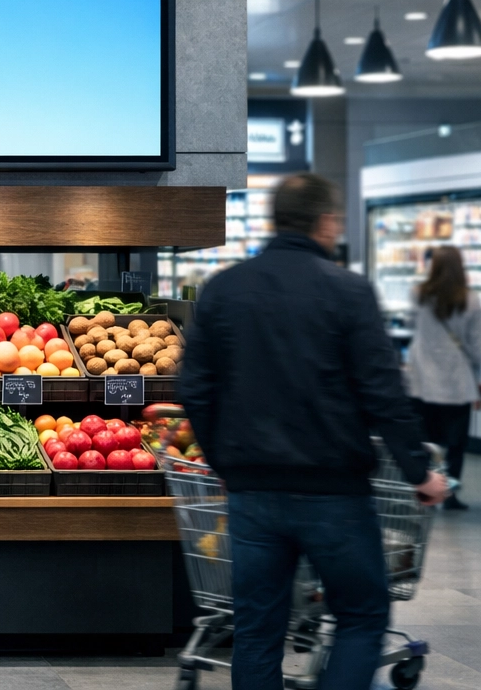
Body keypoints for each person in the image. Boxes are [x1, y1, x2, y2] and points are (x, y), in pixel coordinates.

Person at [179, 172, 448, 690]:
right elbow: (382, 393)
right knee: (362, 616)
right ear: (327, 221)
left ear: (275, 221)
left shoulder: (224, 290)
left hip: (254, 493)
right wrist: (419, 471)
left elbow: (197, 390)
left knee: (257, 629)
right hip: (334, 495)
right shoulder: (348, 291)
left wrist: (223, 464)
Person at [406, 244, 481, 510]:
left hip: (423, 382)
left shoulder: (418, 294)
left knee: (424, 440)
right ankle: (450, 495)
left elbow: (411, 327)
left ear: (433, 266)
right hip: (457, 383)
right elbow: (475, 346)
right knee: (456, 445)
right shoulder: (472, 300)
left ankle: (425, 491)